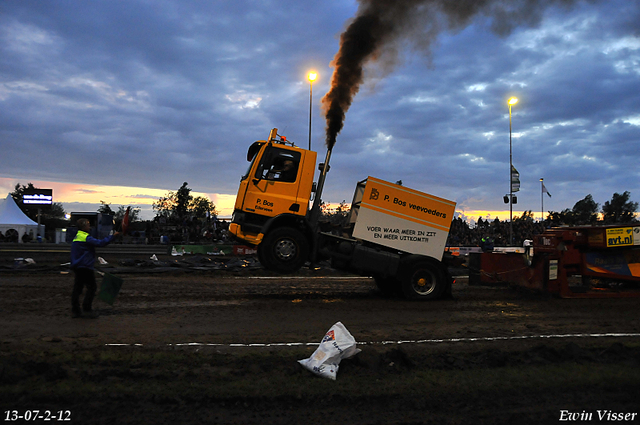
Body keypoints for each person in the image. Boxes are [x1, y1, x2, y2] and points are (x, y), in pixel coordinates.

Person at [70, 218, 119, 318]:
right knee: (92, 288)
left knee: (77, 289)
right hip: (85, 266)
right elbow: (100, 243)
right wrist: (113, 237)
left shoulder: (77, 237)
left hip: (78, 266)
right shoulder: (85, 237)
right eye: (88, 225)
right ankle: (87, 309)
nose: (90, 227)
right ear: (84, 226)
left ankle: (76, 310)